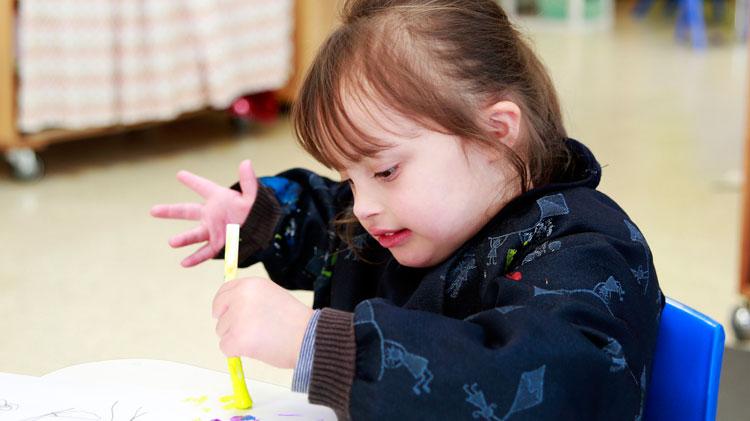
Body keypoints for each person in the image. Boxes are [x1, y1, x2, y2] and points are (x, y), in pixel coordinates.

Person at [151, 0, 663, 418]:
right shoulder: (404, 220)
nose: (364, 207)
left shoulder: (586, 250)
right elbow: (328, 226)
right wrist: (261, 218)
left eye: (386, 171)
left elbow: (540, 385)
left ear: (497, 134)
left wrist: (324, 345)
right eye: (349, 178)